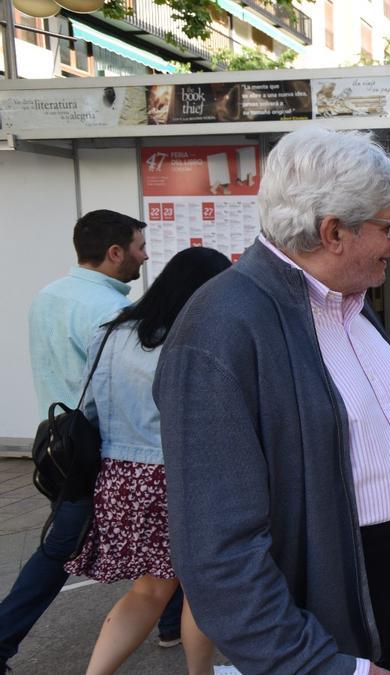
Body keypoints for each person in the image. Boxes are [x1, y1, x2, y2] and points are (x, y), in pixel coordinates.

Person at [154, 125, 390, 675]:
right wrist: (319, 666)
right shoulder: (221, 328)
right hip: (325, 613)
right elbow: (219, 555)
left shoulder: (348, 299)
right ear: (334, 232)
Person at [0, 209, 178, 672]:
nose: (145, 256)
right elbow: (121, 388)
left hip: (57, 444)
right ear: (114, 252)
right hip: (95, 448)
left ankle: (170, 623)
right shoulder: (111, 313)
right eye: (139, 247)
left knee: (158, 548)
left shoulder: (47, 296)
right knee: (61, 549)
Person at [65, 247, 230, 675]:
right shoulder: (199, 338)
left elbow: (89, 413)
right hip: (185, 479)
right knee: (201, 592)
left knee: (148, 591)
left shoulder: (109, 332)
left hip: (122, 479)